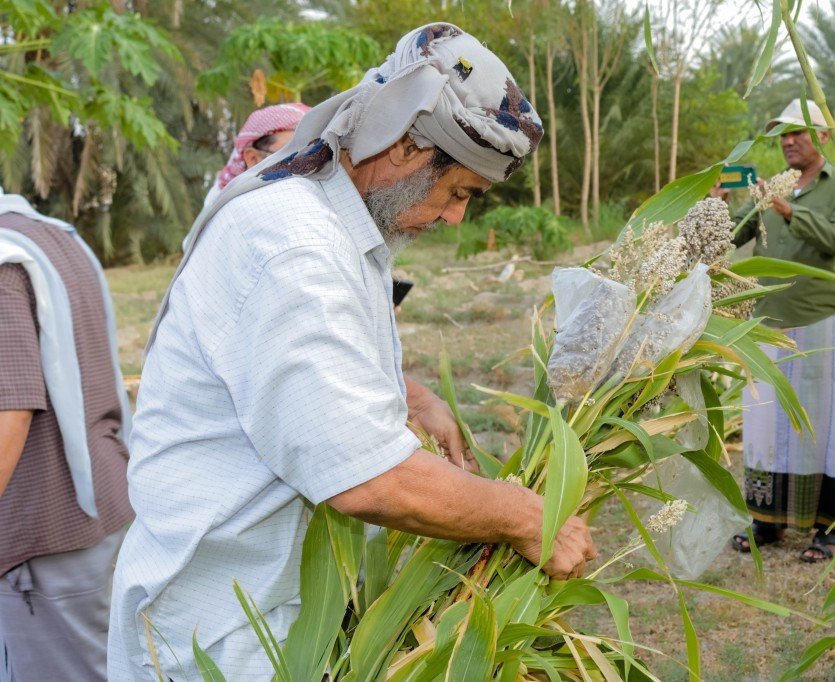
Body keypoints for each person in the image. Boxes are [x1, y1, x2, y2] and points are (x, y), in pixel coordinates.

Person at [108, 23, 596, 681]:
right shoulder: (293, 243)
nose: (456, 219)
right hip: (218, 643)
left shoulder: (341, 230)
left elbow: (316, 373)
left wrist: (409, 397)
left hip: (287, 621)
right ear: (404, 147)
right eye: (458, 193)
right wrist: (520, 516)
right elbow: (368, 479)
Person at [715, 99, 835, 563]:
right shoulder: (765, 188)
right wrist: (717, 207)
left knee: (822, 427)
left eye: (798, 132)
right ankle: (767, 521)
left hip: (817, 323)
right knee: (765, 425)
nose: (789, 141)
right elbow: (731, 238)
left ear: (820, 136)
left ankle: (829, 529)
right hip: (765, 326)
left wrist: (788, 210)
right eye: (782, 135)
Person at [0, 187, 134, 680]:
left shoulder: (3, 260)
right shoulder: (53, 236)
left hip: (41, 528)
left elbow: (9, 413)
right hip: (100, 497)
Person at [202, 102, 311, 208]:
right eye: (291, 157)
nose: (305, 168)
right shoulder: (233, 209)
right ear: (252, 159)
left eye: (311, 155)